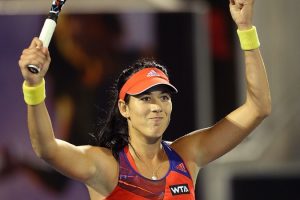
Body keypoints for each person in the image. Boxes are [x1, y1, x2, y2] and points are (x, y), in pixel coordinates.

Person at [18, 0, 271, 199]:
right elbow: (46, 148)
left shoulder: (187, 154)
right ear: (124, 108)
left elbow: (258, 108)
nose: (156, 106)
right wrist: (34, 84)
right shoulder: (105, 166)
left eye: (163, 97)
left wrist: (245, 28)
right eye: (145, 98)